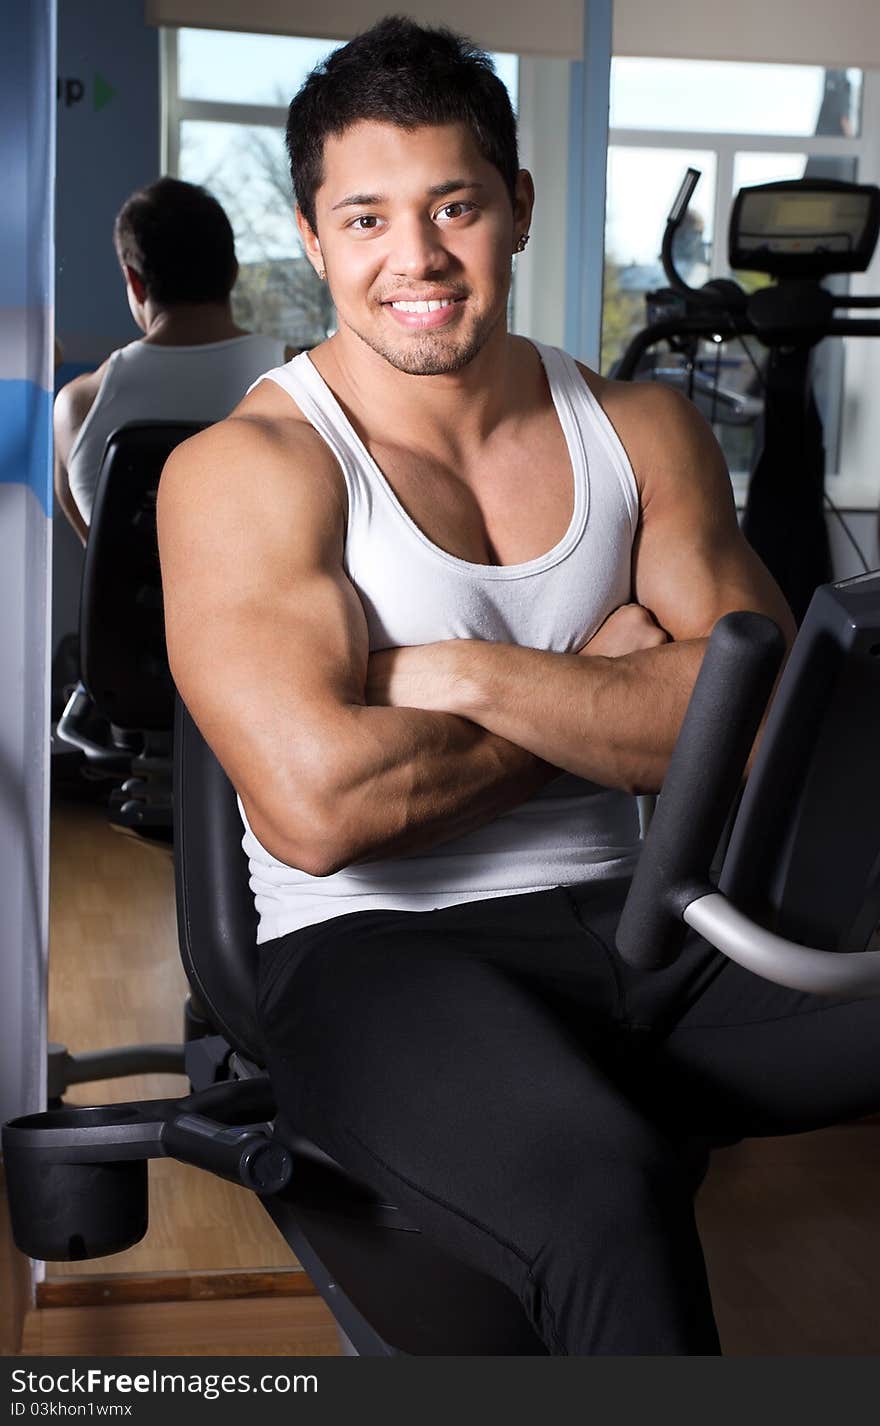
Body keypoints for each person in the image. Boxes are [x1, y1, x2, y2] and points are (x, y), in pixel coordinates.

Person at [157, 18, 880, 1354]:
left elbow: (769, 720)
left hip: (650, 921)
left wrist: (472, 673)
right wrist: (614, 698)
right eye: (364, 216)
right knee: (610, 1191)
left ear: (518, 208)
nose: (415, 257)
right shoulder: (248, 467)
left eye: (454, 206)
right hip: (369, 952)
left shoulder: (639, 429)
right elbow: (319, 808)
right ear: (314, 239)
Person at [53, 177, 293, 545]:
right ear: (233, 271)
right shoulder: (301, 376)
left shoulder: (77, 407)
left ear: (134, 282)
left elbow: (105, 571)